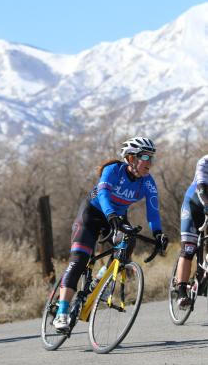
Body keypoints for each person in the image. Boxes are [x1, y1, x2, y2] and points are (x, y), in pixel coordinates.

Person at [53, 136, 169, 331]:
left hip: (116, 216)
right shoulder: (113, 170)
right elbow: (104, 194)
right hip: (92, 214)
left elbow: (153, 211)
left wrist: (158, 234)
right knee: (79, 259)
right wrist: (111, 215)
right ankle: (62, 313)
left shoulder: (148, 182)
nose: (150, 162)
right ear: (131, 158)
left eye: (152, 158)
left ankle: (100, 280)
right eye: (145, 157)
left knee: (127, 243)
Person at [175, 155, 208, 308]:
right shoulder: (204, 161)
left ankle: (202, 278)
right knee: (189, 248)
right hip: (194, 204)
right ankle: (181, 293)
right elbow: (201, 187)